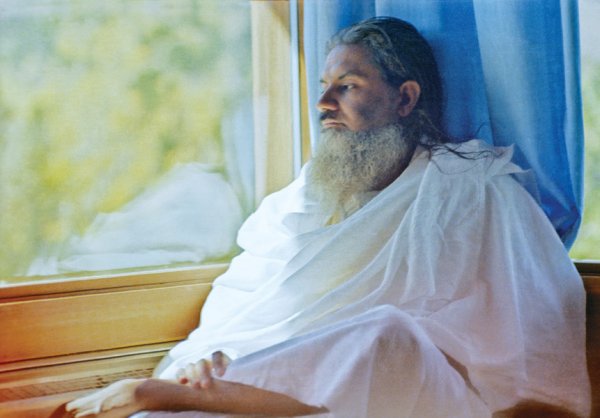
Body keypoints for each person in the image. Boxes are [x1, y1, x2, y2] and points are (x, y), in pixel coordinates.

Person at [65, 17, 591, 418]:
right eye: (323, 86)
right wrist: (209, 363)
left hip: (422, 402)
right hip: (282, 395)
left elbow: (533, 347)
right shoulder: (300, 202)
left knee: (388, 335)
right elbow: (241, 313)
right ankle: (209, 395)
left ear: (405, 98)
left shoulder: (474, 189)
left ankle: (209, 396)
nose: (322, 103)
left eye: (348, 86)